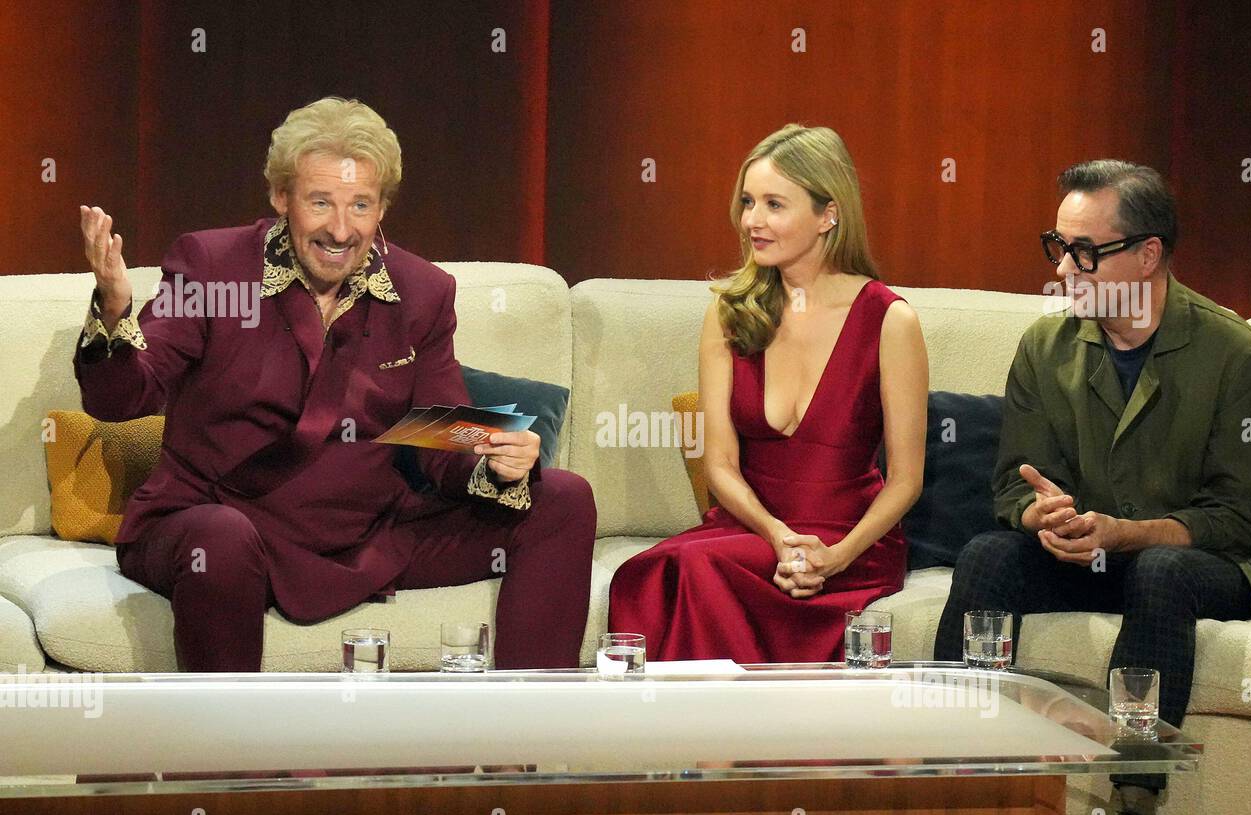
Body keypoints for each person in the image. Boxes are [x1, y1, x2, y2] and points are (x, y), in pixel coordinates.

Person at [75, 97, 596, 672]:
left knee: (563, 499)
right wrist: (113, 312)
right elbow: (122, 399)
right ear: (281, 198)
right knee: (220, 541)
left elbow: (439, 433)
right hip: (218, 519)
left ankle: (524, 745)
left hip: (364, 534)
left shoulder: (422, 291)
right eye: (320, 202)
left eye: (360, 205)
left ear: (382, 209)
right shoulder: (212, 266)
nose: (340, 229)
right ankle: (222, 762)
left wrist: (494, 453)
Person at [933, 159, 1251, 815]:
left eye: (1085, 252)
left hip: (1218, 564)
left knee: (1160, 571)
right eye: (1057, 247)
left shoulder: (1237, 358)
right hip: (1092, 551)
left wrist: (1129, 532)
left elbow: (1245, 517)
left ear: (1148, 253)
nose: (1065, 268)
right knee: (987, 554)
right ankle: (956, 776)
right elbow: (1014, 480)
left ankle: (1132, 811)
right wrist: (1044, 516)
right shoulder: (1047, 345)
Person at [607, 124, 928, 662]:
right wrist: (777, 536)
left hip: (852, 541)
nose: (752, 220)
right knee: (664, 570)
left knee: (695, 572)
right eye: (748, 202)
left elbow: (906, 480)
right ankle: (718, 738)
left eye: (774, 204)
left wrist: (836, 556)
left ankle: (725, 741)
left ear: (829, 214)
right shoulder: (729, 313)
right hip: (751, 528)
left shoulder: (891, 321)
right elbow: (721, 466)